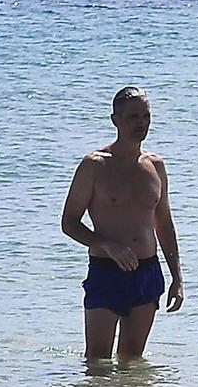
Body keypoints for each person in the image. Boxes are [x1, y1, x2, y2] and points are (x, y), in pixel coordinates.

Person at [61, 86, 184, 361]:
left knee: (133, 359)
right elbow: (69, 222)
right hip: (107, 271)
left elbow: (164, 223)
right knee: (98, 358)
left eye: (145, 116)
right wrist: (106, 244)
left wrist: (177, 276)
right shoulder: (94, 166)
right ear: (115, 119)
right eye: (133, 117)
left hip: (147, 270)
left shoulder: (156, 166)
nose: (141, 123)